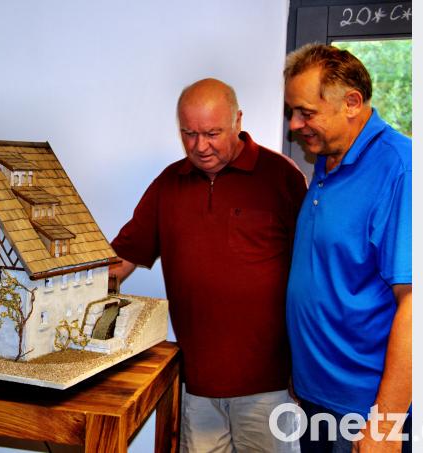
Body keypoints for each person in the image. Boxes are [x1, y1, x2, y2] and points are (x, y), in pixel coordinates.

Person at [110, 78, 307, 452]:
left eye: (212, 133)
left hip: (269, 387)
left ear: (238, 121)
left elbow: (313, 275)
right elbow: (120, 260)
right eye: (188, 134)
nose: (200, 146)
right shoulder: (169, 184)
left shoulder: (281, 178)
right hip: (196, 385)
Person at [283, 44, 412, 453]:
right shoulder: (328, 160)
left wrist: (387, 423)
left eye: (306, 112)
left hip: (365, 410)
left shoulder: (400, 169)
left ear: (352, 103)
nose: (293, 125)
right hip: (318, 394)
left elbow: (418, 304)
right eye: (292, 112)